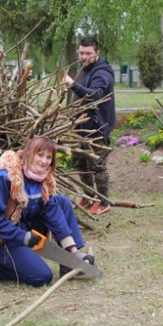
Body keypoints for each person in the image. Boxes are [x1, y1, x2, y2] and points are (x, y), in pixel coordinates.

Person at [0, 137, 94, 286]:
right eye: (40, 155)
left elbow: (52, 213)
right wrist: (22, 236)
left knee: (61, 202)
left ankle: (69, 263)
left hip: (27, 232)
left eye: (49, 157)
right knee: (42, 277)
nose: (44, 161)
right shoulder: (4, 178)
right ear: (29, 153)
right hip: (5, 240)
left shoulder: (42, 178)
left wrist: (73, 252)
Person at [64, 36, 116, 215]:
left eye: (88, 53)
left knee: (97, 165)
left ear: (97, 53)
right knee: (80, 163)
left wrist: (73, 85)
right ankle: (89, 196)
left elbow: (95, 95)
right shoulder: (84, 69)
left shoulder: (103, 72)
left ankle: (103, 202)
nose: (84, 56)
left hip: (97, 129)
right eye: (81, 53)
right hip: (80, 127)